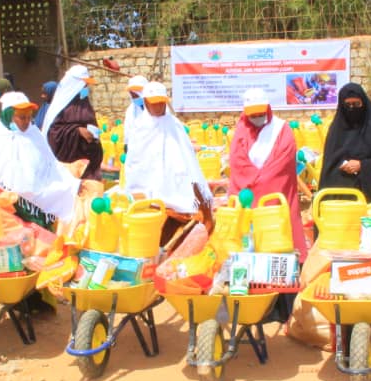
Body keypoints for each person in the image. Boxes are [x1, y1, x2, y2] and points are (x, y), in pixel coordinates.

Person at [0, 91, 81, 226]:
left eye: (29, 117)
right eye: (22, 117)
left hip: (32, 200)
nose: (26, 122)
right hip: (2, 201)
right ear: (9, 116)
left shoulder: (34, 133)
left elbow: (50, 163)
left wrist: (70, 183)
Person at [123, 82, 212, 245]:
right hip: (149, 192)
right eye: (153, 103)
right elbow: (135, 165)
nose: (157, 107)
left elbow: (188, 159)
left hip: (177, 186)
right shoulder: (140, 128)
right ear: (147, 102)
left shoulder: (175, 125)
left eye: (161, 103)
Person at [228, 87, 307, 260]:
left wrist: (260, 181)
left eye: (260, 114)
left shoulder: (281, 129)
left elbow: (283, 161)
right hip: (246, 192)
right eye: (253, 115)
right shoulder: (241, 130)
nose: (257, 118)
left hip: (274, 190)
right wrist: (250, 179)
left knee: (277, 234)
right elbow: (237, 160)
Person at [318, 82, 371, 201]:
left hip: (369, 200)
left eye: (357, 104)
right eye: (348, 105)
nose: (352, 109)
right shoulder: (336, 130)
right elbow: (328, 167)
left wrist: (363, 165)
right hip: (339, 200)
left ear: (364, 103)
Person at [41, 65, 103, 179]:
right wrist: (77, 131)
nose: (86, 88)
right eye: (84, 85)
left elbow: (91, 122)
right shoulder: (60, 107)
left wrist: (95, 133)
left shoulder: (84, 102)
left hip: (88, 164)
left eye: (87, 85)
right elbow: (53, 133)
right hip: (68, 165)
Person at [122, 75, 149, 151]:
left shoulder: (156, 109)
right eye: (132, 95)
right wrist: (126, 143)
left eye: (136, 95)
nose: (134, 97)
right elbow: (128, 128)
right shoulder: (131, 110)